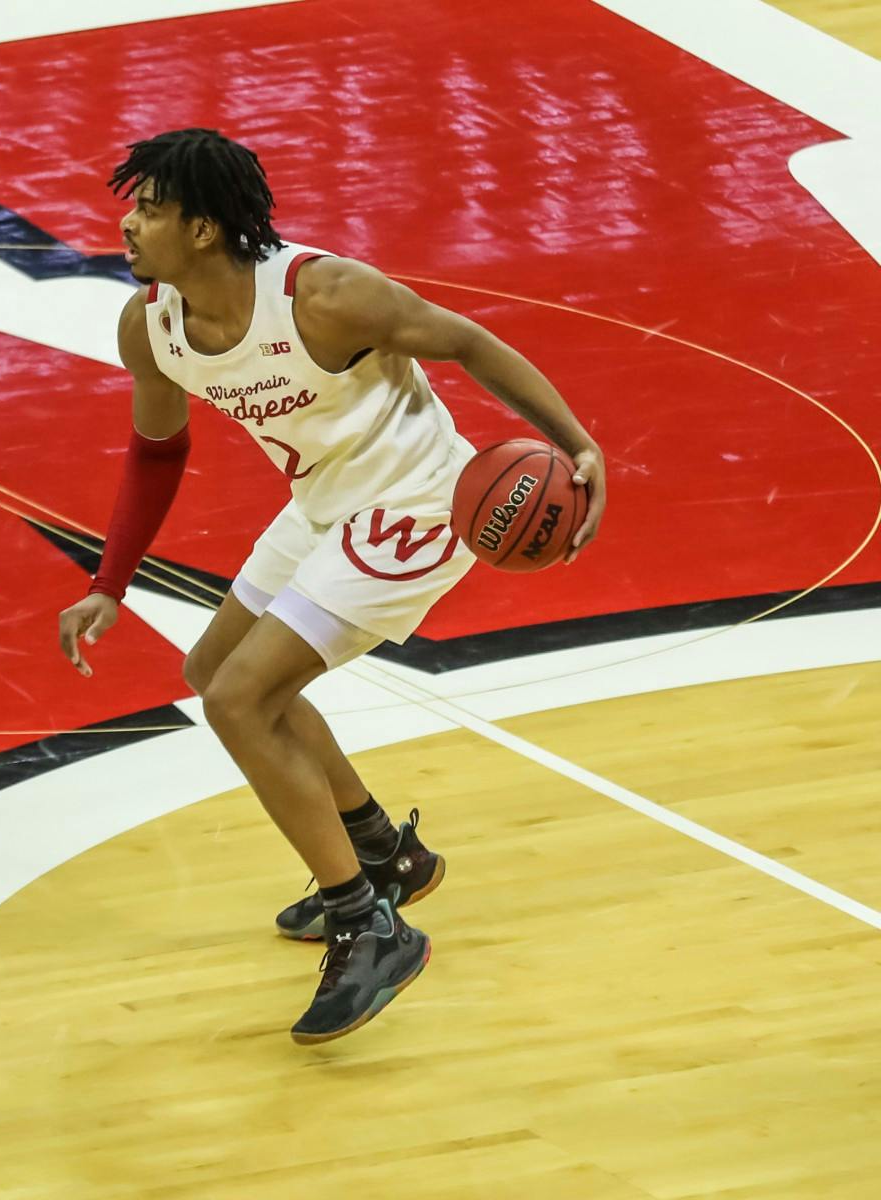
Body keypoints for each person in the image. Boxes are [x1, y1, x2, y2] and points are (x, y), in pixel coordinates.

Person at [56, 128, 604, 1044]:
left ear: (201, 228)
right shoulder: (149, 325)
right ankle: (384, 853)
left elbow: (468, 341)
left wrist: (578, 444)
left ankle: (367, 924)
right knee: (214, 673)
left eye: (149, 207)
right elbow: (157, 451)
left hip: (417, 506)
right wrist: (111, 581)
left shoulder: (326, 295)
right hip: (323, 503)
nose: (128, 223)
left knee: (240, 699)